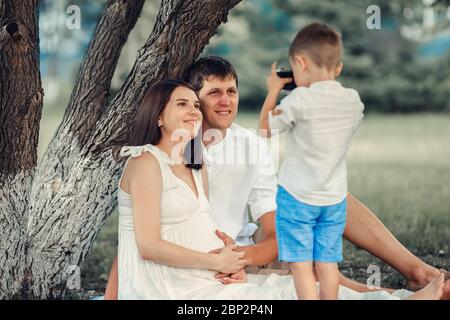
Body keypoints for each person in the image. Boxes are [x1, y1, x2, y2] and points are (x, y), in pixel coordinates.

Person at [104, 56, 450, 300]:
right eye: (212, 94)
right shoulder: (160, 158)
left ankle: (418, 275)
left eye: (232, 92)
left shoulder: (246, 146)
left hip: (237, 253)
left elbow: (271, 226)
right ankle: (402, 296)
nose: (225, 102)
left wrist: (246, 257)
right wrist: (113, 293)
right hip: (196, 262)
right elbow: (139, 233)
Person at [259, 22, 363, 300]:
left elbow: (264, 131)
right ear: (338, 68)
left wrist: (273, 91)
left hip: (297, 197)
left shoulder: (299, 100)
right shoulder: (353, 100)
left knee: (302, 264)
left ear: (301, 63)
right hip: (334, 198)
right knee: (327, 263)